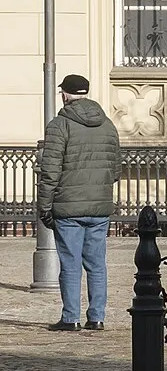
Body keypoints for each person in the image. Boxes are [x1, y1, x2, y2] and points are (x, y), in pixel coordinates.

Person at [35, 74, 120, 332]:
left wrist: (44, 205)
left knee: (70, 264)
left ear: (64, 94)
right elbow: (115, 170)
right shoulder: (107, 125)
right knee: (96, 264)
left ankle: (70, 318)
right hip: (99, 207)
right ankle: (97, 317)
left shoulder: (60, 125)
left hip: (68, 207)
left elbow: (50, 171)